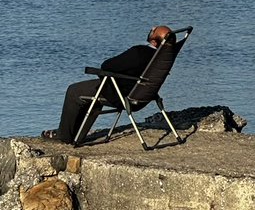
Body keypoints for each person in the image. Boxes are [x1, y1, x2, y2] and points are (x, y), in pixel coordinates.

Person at [41, 26, 176, 145]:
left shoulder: (139, 52)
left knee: (74, 91)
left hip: (123, 94)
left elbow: (107, 66)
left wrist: (104, 74)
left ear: (153, 41)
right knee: (94, 92)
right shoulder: (164, 57)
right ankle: (77, 135)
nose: (152, 28)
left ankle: (64, 136)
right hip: (143, 95)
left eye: (154, 30)